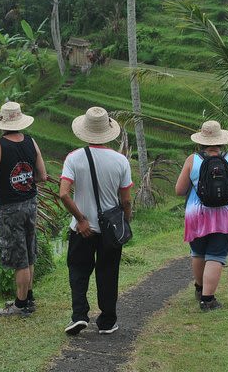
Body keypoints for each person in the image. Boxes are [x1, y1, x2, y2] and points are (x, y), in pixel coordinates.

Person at [59, 106, 133, 335]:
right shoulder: (120, 161)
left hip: (81, 229)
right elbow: (126, 201)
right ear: (107, 131)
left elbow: (63, 193)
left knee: (79, 271)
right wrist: (124, 224)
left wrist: (81, 219)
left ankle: (79, 315)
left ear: (85, 130)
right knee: (108, 273)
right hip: (110, 231)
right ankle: (107, 321)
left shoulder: (74, 158)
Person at [0, 101, 47, 316]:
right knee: (28, 253)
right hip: (30, 203)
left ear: (1, 124)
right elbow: (42, 176)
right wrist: (25, 181)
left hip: (10, 208)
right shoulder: (31, 142)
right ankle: (28, 298)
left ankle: (20, 305)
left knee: (19, 258)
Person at [174, 120, 228, 311]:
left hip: (196, 214)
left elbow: (179, 190)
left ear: (201, 142)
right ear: (221, 141)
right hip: (225, 214)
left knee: (198, 252)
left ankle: (200, 290)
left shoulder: (192, 160)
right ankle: (208, 300)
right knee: (216, 255)